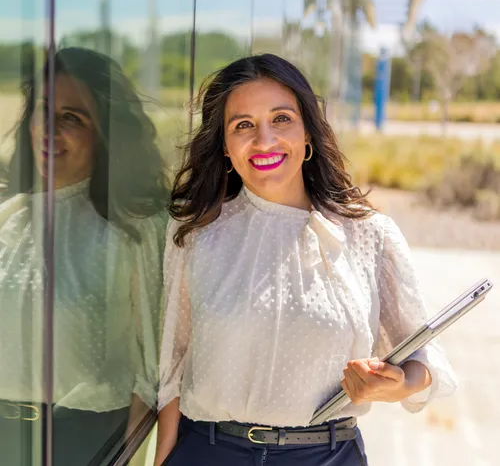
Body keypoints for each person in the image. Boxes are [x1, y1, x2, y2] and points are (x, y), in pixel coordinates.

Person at [154, 54, 458, 466]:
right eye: (243, 125)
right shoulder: (197, 232)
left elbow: (425, 359)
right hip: (209, 452)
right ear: (225, 147)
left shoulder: (370, 235)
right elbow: (173, 362)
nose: (264, 141)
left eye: (281, 119)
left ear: (308, 133)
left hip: (327, 455)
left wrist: (398, 383)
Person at [0, 47, 168, 465]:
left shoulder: (137, 227)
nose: (49, 130)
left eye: (72, 118)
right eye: (43, 110)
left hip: (87, 441)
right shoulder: (7, 218)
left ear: (107, 132)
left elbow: (152, 376)